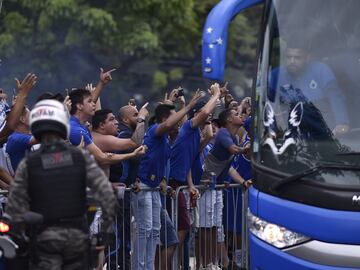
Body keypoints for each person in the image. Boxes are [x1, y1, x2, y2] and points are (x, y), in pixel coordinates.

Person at [5, 99, 118, 270]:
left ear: (36, 125)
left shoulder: (29, 164)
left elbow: (14, 208)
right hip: (78, 239)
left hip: (43, 241)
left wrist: (19, 234)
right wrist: (103, 234)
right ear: (63, 123)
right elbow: (108, 195)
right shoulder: (80, 158)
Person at [131, 90, 202, 270]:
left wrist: (163, 181)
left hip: (154, 188)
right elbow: (169, 121)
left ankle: (148, 267)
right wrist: (189, 106)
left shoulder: (166, 139)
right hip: (144, 186)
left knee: (155, 230)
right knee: (144, 230)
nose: (178, 121)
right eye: (174, 118)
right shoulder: (155, 129)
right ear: (164, 120)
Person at [168, 83, 221, 266]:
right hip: (172, 186)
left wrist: (190, 185)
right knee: (179, 231)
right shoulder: (188, 129)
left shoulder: (194, 134)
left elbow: (189, 162)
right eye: (206, 114)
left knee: (184, 231)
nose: (210, 116)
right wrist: (216, 94)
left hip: (181, 186)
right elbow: (205, 114)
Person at [269, 41, 349, 139]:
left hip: (322, 128)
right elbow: (269, 103)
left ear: (307, 58)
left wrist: (342, 122)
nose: (292, 61)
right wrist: (270, 129)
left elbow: (335, 97)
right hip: (290, 131)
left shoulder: (321, 70)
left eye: (297, 58)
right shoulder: (275, 75)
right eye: (288, 57)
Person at [68, 88, 144, 165]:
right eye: (89, 101)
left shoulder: (81, 127)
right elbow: (102, 158)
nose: (93, 104)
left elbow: (98, 115)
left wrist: (102, 84)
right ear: (79, 106)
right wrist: (141, 119)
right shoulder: (77, 131)